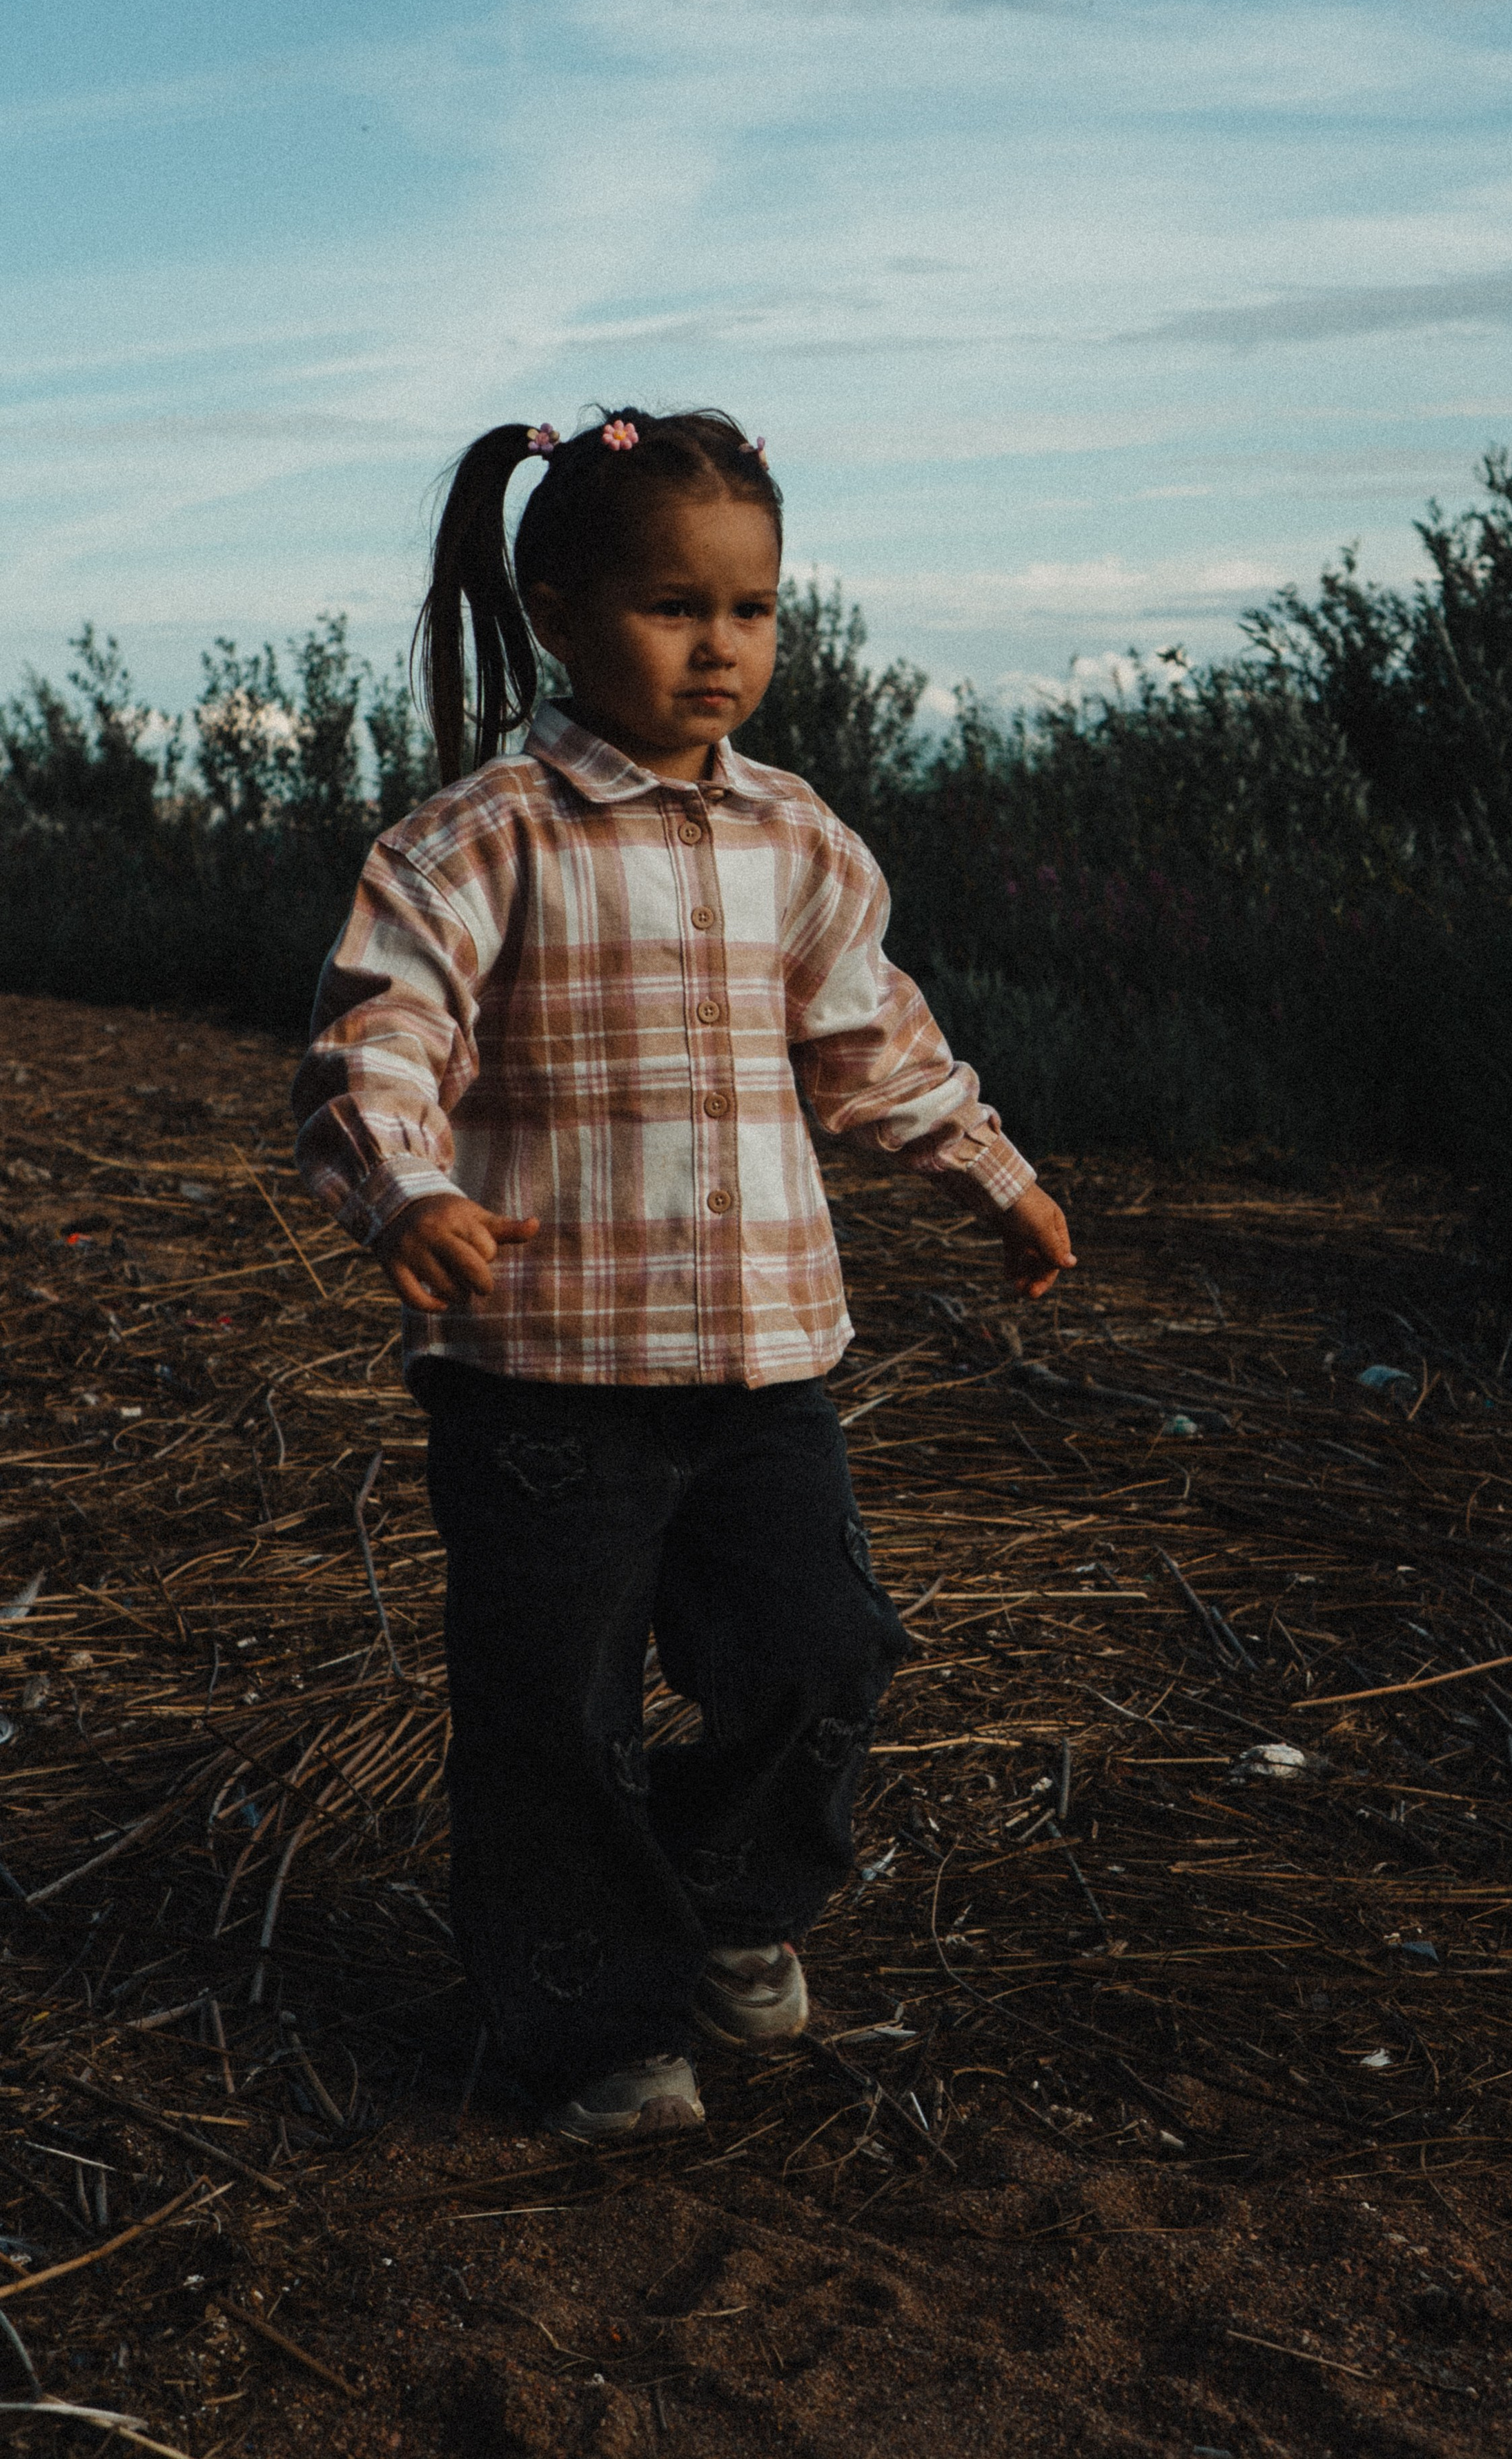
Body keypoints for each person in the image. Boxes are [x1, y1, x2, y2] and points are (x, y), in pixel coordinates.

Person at [291, 406, 1074, 2145]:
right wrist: (407, 1191)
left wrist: (995, 1176)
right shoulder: (478, 839)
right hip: (540, 1375)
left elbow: (876, 1048)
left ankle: (722, 1907)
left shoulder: (797, 840)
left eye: (753, 609)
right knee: (552, 1719)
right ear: (558, 608)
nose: (720, 647)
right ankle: (592, 2031)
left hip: (763, 1363)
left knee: (820, 1654)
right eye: (671, 607)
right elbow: (376, 1041)